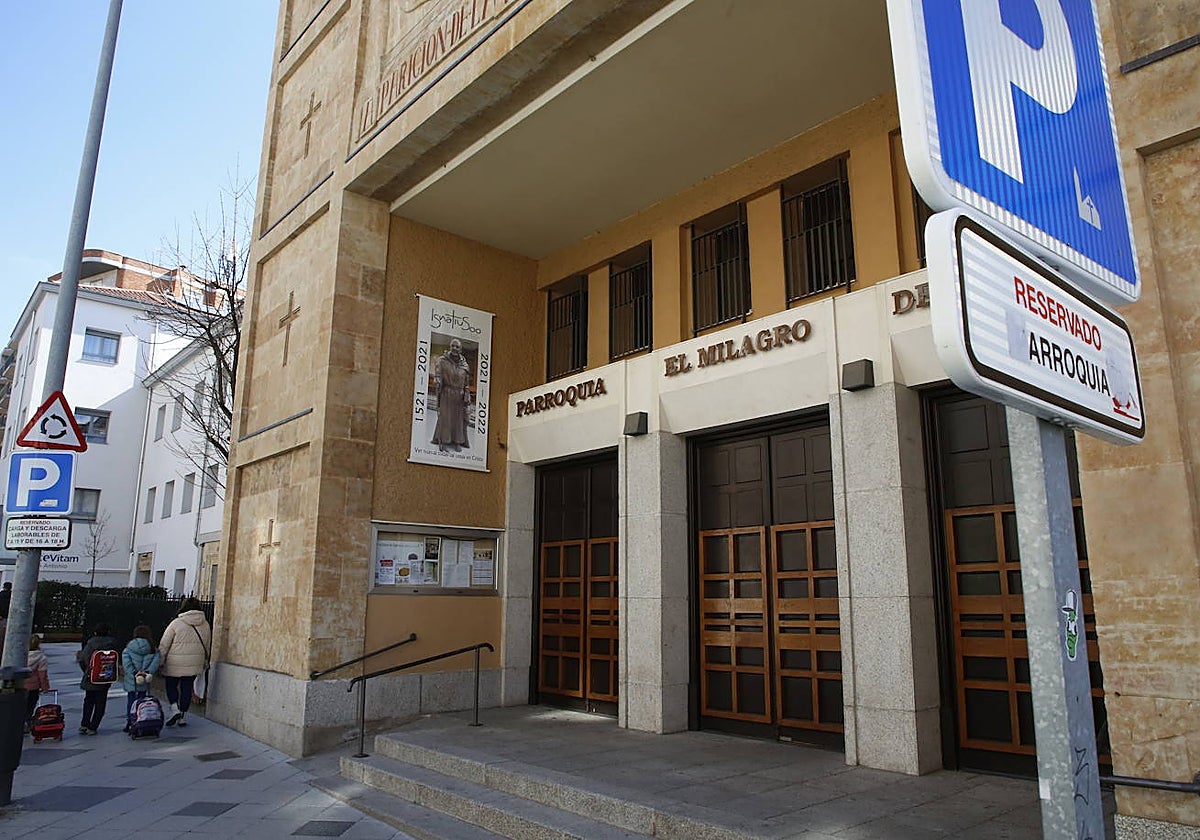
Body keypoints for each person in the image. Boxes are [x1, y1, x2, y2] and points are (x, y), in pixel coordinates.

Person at [158, 598, 211, 727]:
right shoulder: (205, 625)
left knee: (171, 685)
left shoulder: (176, 623)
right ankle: (183, 715)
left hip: (174, 661)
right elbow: (208, 644)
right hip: (195, 661)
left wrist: (160, 660)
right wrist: (205, 659)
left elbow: (164, 644)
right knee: (187, 687)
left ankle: (174, 708)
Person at [77, 622, 118, 735]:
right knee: (101, 702)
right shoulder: (112, 643)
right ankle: (93, 726)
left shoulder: (91, 643)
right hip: (105, 676)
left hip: (91, 676)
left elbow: (82, 659)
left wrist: (87, 671)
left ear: (95, 632)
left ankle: (84, 724)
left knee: (88, 700)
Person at [431, 338, 471, 451]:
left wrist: (467, 396)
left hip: (459, 395)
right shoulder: (442, 361)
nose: (454, 348)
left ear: (460, 349)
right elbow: (438, 374)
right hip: (446, 393)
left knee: (458, 420)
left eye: (457, 347)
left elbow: (466, 384)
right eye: (453, 346)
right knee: (445, 418)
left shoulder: (465, 365)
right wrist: (437, 380)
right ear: (450, 347)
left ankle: (457, 441)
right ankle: (444, 440)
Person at [121, 624, 160, 732]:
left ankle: (130, 721)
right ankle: (142, 718)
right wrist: (147, 672)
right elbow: (156, 662)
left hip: (133, 679)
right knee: (143, 698)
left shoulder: (128, 648)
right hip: (145, 678)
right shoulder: (152, 648)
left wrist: (134, 673)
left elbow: (126, 664)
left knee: (131, 700)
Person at [24, 634, 49, 732]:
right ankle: (27, 723)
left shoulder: (20, 655)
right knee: (30, 706)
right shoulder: (41, 657)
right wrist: (45, 687)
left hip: (20, 685)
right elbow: (42, 675)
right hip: (33, 686)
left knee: (20, 705)